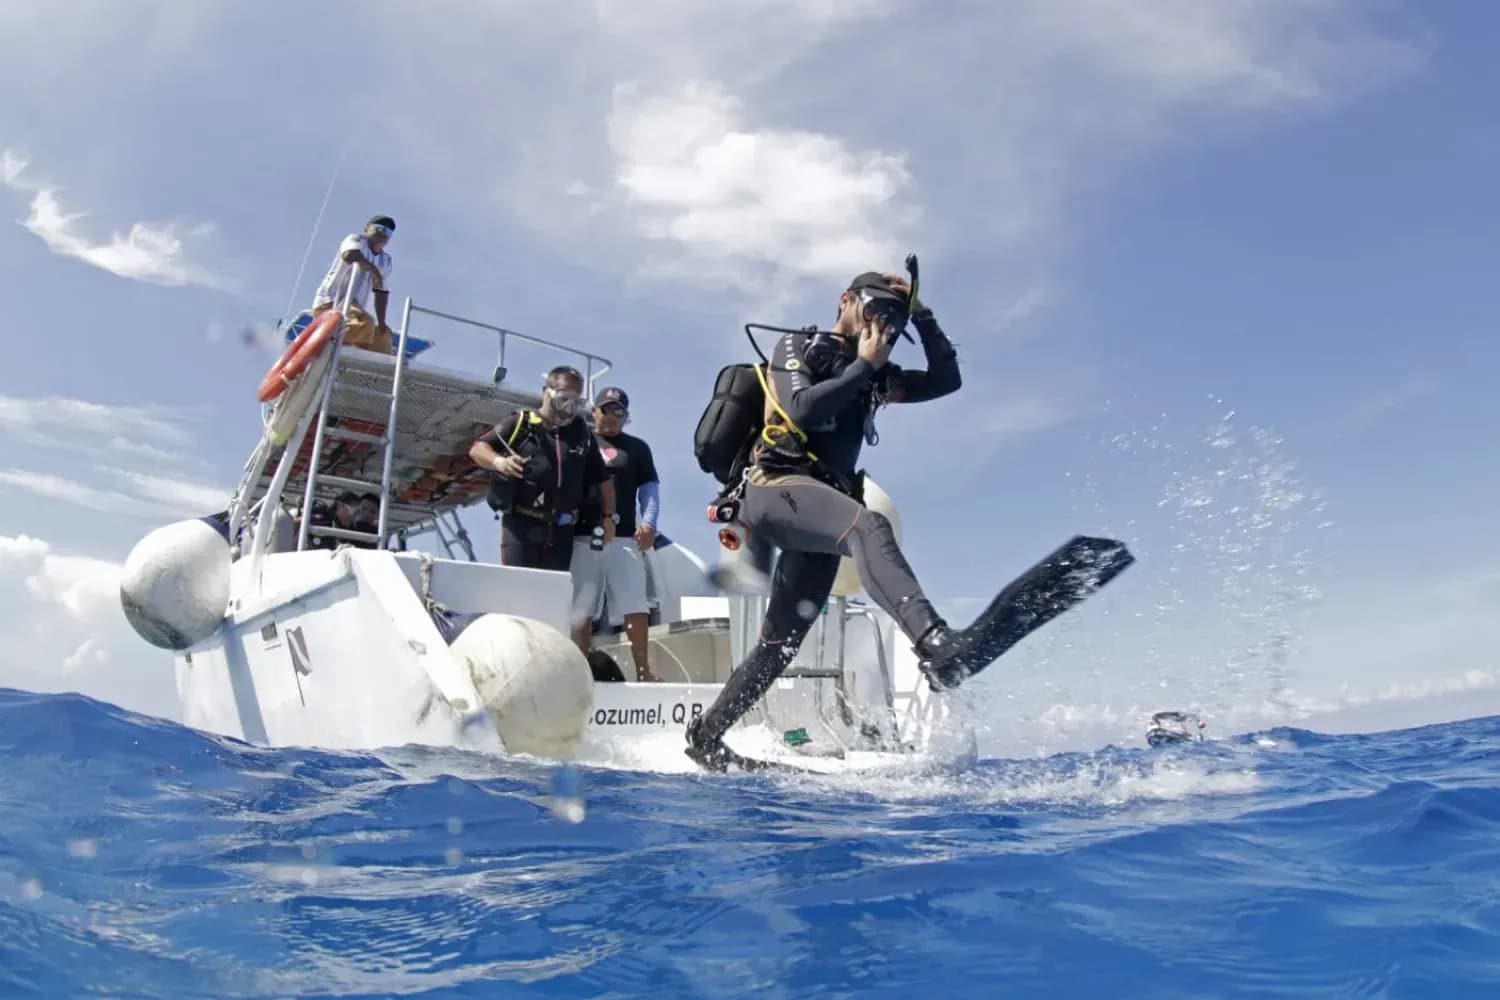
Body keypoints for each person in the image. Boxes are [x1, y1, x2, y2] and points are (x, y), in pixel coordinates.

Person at [685, 268, 964, 771]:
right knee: (868, 526)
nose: (888, 324)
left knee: (780, 643)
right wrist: (862, 366)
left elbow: (948, 380)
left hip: (819, 505)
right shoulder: (799, 347)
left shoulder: (879, 372)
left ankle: (706, 736)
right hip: (773, 489)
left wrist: (922, 316)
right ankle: (935, 642)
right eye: (878, 308)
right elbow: (801, 407)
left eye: (897, 319)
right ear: (847, 301)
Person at [468, 365, 615, 572]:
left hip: (562, 531)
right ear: (546, 392)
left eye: (576, 401)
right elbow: (478, 448)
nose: (568, 406)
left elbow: (603, 479)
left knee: (552, 594)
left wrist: (608, 517)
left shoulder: (581, 433)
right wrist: (499, 462)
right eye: (564, 398)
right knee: (519, 591)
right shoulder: (522, 422)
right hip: (521, 525)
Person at [570, 386, 663, 682]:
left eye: (618, 412)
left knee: (635, 604)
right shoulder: (578, 441)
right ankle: (580, 673)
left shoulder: (638, 448)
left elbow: (649, 491)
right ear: (593, 411)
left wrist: (648, 523)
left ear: (625, 416)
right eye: (604, 410)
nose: (610, 417)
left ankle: (643, 671)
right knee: (582, 608)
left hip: (624, 538)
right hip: (583, 537)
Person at [311, 215, 396, 354]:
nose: (382, 234)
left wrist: (382, 323)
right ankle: (322, 345)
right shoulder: (356, 240)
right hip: (332, 302)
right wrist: (373, 270)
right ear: (366, 229)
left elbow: (381, 292)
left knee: (383, 337)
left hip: (354, 310)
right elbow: (350, 254)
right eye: (379, 228)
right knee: (365, 323)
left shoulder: (385, 261)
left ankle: (371, 373)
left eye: (387, 232)